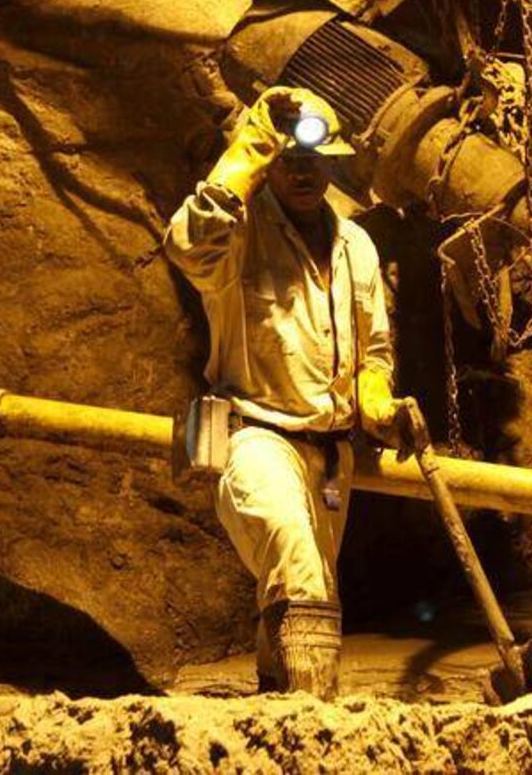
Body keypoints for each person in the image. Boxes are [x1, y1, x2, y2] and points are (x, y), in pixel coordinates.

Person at [163, 86, 424, 700]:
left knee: (303, 589)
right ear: (268, 163)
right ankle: (315, 715)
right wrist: (244, 154)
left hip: (331, 456)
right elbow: (185, 244)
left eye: (314, 160)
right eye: (287, 160)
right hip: (254, 436)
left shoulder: (356, 245)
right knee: (297, 560)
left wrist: (377, 403)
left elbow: (372, 351)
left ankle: (276, 699)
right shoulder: (238, 235)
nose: (303, 172)